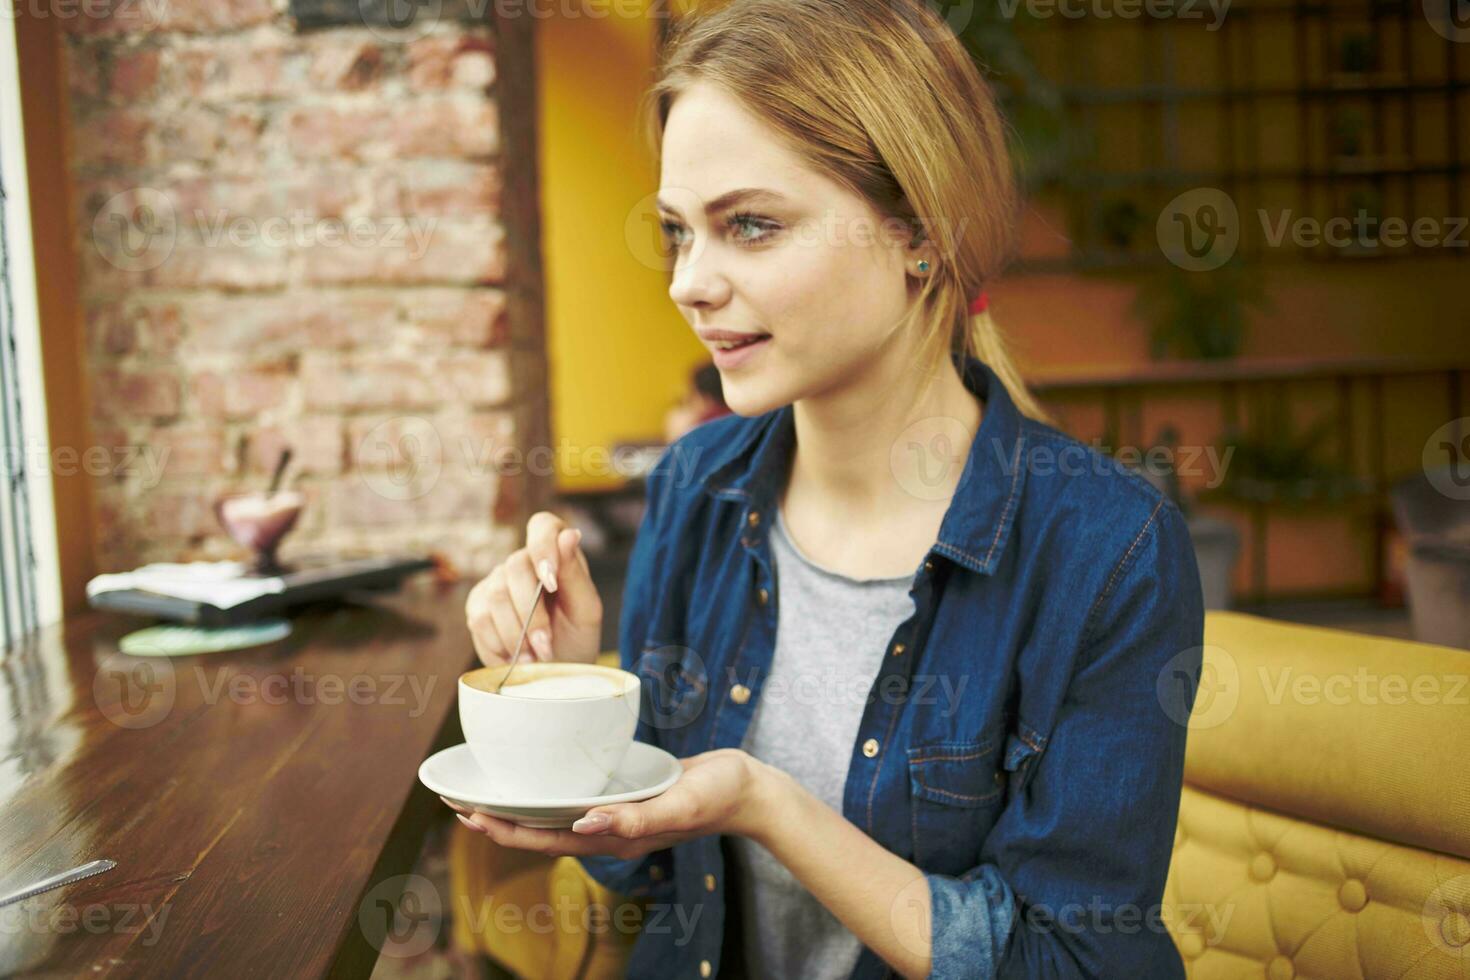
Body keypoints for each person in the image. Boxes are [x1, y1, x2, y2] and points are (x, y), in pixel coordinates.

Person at [447, 1, 1204, 977]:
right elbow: (656, 885)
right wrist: (572, 696)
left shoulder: (1111, 552)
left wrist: (767, 804)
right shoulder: (694, 489)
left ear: (922, 233)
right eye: (680, 231)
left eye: (750, 225)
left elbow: (1075, 962)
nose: (688, 281)